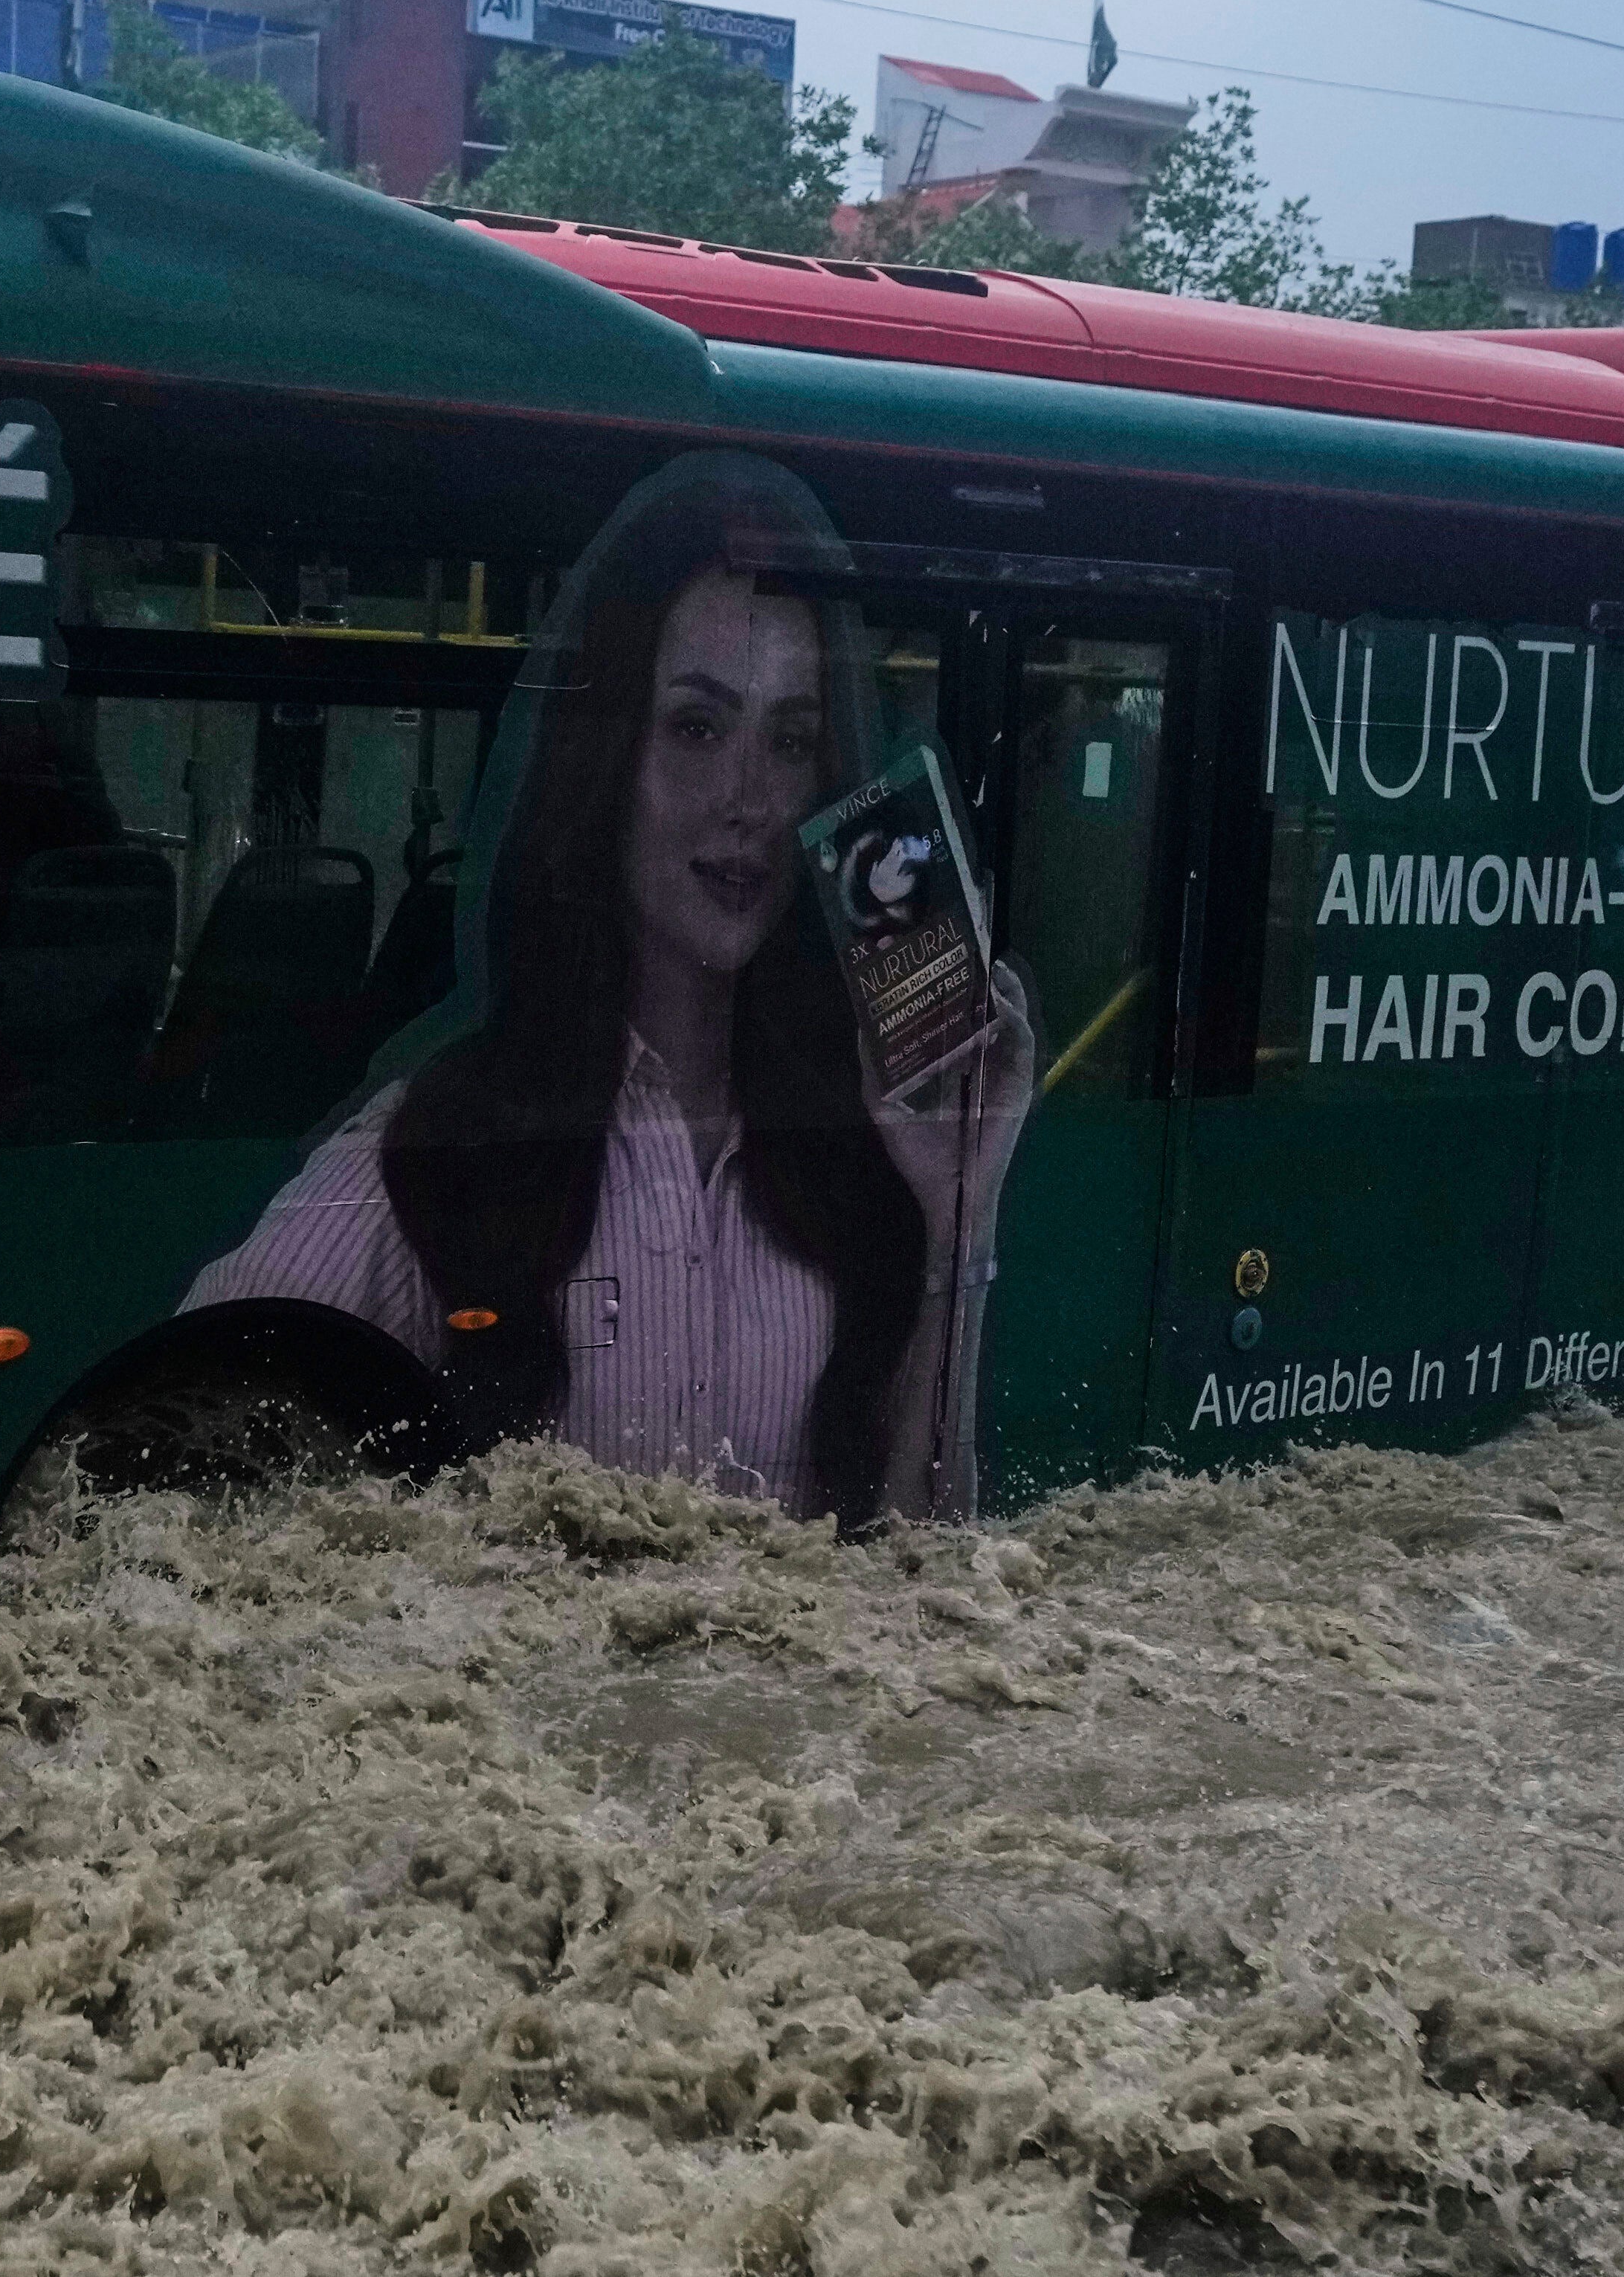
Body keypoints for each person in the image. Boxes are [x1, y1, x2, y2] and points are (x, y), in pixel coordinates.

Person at [187, 454, 1027, 1527]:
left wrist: (960, 1213)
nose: (749, 802)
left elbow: (932, 1579)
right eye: (696, 728)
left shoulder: (865, 1149)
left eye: (793, 741)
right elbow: (174, 1462)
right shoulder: (442, 1144)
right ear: (606, 756)